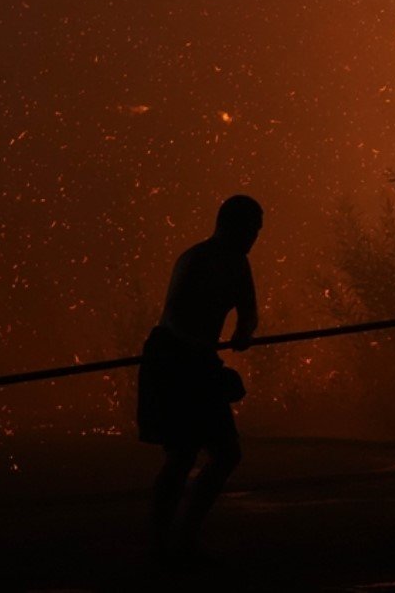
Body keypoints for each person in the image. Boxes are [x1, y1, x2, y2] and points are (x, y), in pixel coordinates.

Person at [138, 194, 262, 562]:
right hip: (172, 359)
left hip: (199, 361)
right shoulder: (196, 260)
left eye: (257, 231)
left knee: (225, 454)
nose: (254, 238)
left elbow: (249, 311)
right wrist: (207, 359)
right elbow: (175, 319)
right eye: (251, 229)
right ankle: (161, 543)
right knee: (181, 455)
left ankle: (185, 536)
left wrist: (244, 332)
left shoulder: (239, 264)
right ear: (230, 226)